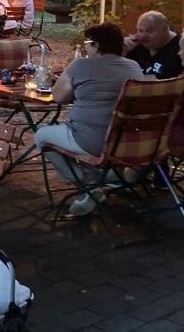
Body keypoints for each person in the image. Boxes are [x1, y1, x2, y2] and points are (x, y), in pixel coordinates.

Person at [35, 23, 144, 215]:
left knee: (41, 136)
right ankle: (101, 179)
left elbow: (59, 97)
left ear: (96, 45)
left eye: (87, 44)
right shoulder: (133, 66)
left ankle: (88, 182)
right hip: (126, 142)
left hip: (91, 140)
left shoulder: (81, 65)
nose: (86, 48)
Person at [123, 11, 183, 80]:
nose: (143, 36)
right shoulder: (135, 45)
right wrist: (122, 51)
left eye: (149, 31)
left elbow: (163, 80)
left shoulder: (179, 49)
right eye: (140, 31)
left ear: (165, 29)